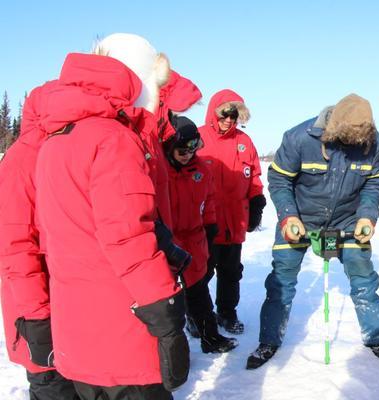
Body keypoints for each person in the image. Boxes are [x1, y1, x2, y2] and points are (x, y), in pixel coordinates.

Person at [34, 34, 189, 399]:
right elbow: (128, 238)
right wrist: (165, 317)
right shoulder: (113, 139)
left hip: (78, 332)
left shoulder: (55, 140)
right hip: (123, 331)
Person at [246, 93, 379, 369]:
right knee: (281, 280)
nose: (355, 144)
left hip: (347, 220)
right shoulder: (300, 138)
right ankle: (268, 341)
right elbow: (279, 177)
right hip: (301, 219)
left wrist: (367, 216)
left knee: (364, 278)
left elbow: (374, 182)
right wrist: (288, 216)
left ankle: (377, 338)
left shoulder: (374, 142)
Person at [0, 82, 80, 399]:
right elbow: (15, 248)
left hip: (73, 308)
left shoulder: (69, 152)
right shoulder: (22, 161)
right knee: (53, 387)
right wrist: (37, 320)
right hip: (40, 314)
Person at [163, 115, 239, 354]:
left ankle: (210, 337)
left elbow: (209, 201)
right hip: (168, 240)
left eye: (192, 148)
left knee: (199, 292)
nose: (187, 154)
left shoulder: (201, 171)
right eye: (181, 149)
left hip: (195, 238)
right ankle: (173, 350)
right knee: (167, 298)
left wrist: (210, 228)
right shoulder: (158, 172)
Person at [199, 89, 265, 334]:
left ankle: (227, 313)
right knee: (201, 273)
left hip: (234, 222)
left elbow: (255, 177)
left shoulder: (244, 142)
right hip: (205, 223)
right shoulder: (198, 138)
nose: (229, 120)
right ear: (215, 112)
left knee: (231, 273)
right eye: (226, 114)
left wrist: (257, 202)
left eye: (235, 116)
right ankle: (197, 315)